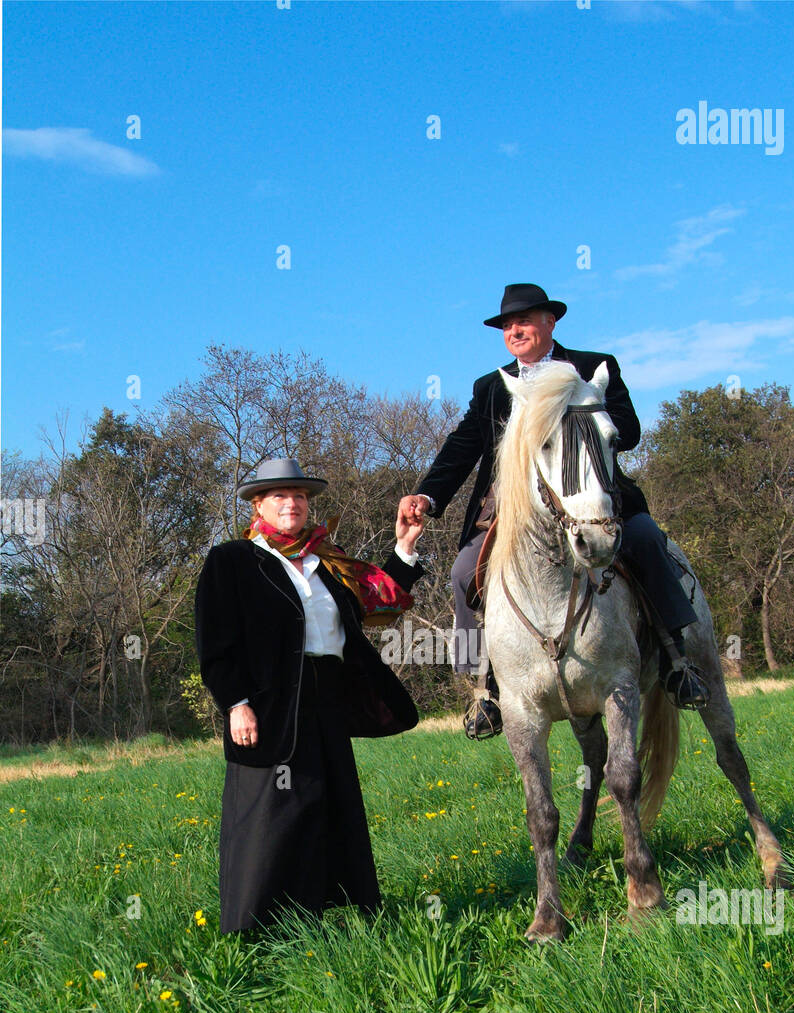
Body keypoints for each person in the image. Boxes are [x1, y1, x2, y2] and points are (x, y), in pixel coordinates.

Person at [397, 283, 709, 737]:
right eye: (507, 324)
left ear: (551, 322)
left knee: (643, 541)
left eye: (524, 320)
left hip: (593, 499)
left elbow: (630, 430)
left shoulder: (592, 367)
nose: (514, 330)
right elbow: (462, 447)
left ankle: (677, 661)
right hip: (515, 510)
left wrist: (585, 411)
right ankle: (484, 689)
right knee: (464, 570)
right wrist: (427, 495)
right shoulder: (491, 387)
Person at [195, 456, 425, 935]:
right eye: (279, 495)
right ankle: (253, 929)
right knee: (269, 815)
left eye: (299, 496)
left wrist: (403, 549)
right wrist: (236, 704)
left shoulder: (328, 562)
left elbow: (377, 599)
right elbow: (216, 643)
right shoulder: (233, 561)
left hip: (327, 700)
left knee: (329, 803)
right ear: (258, 504)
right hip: (269, 703)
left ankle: (329, 913)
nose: (292, 503)